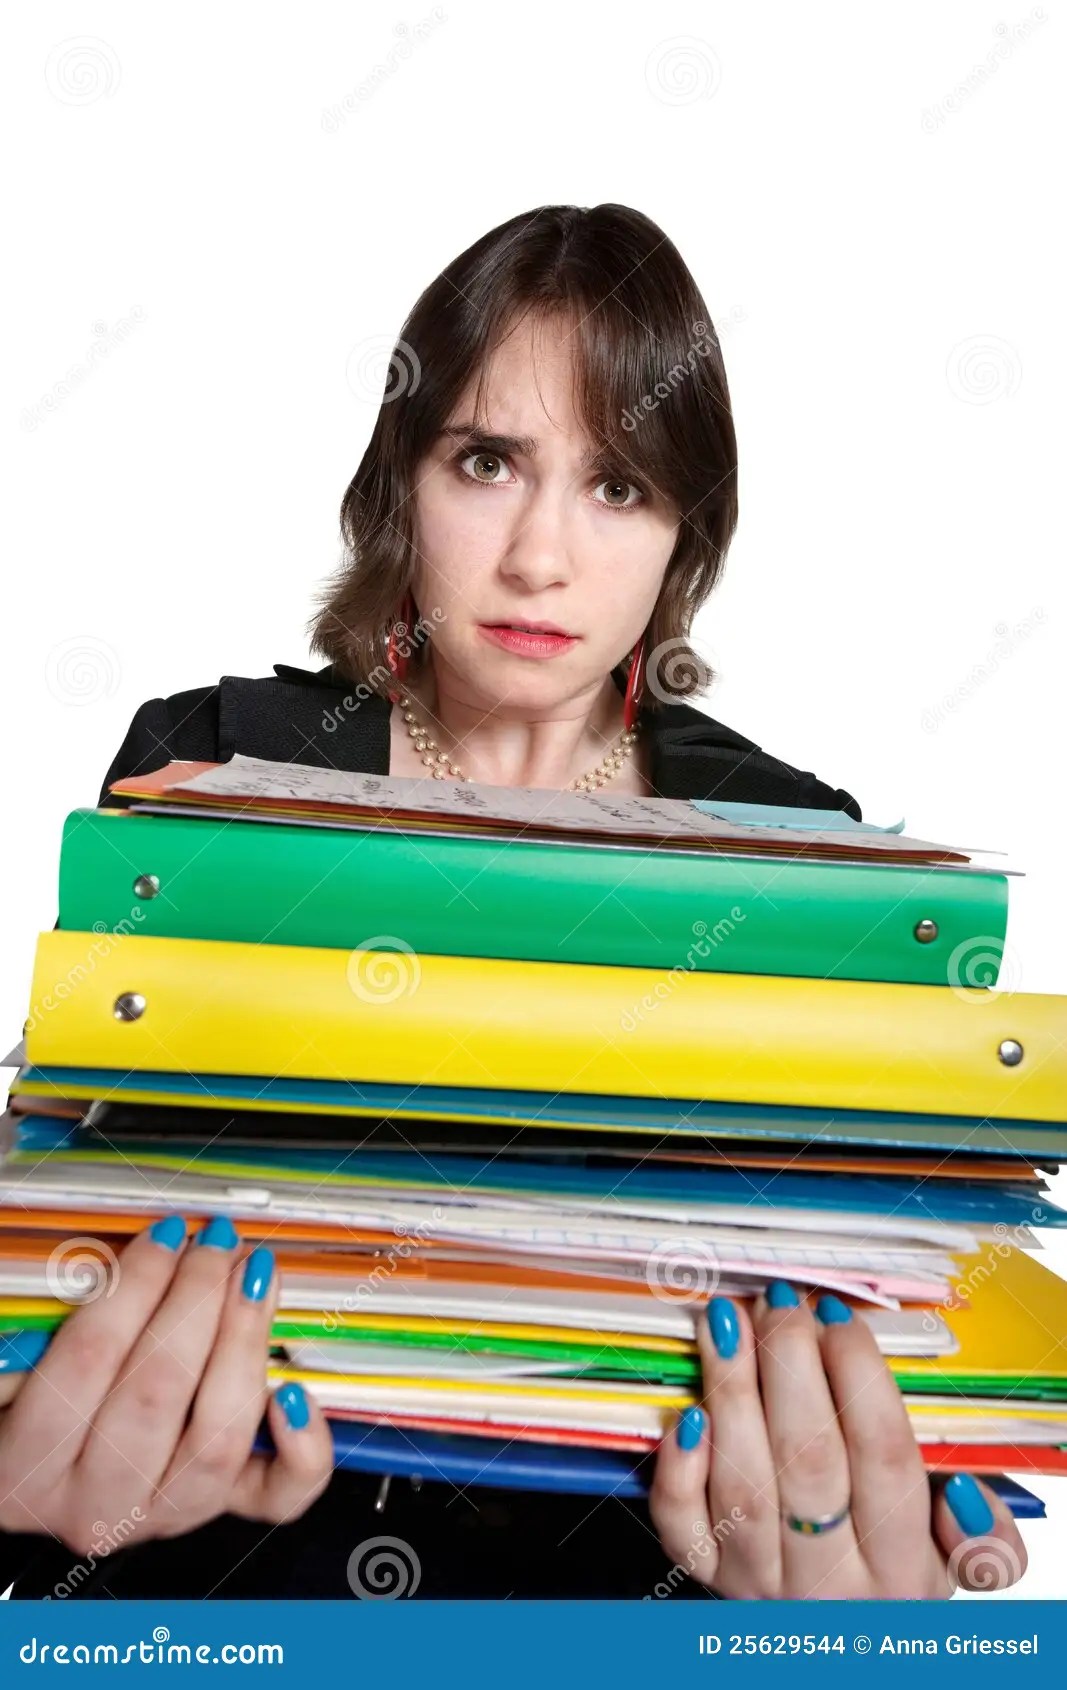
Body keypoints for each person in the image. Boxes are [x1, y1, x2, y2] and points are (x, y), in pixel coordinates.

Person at [0, 204, 1026, 1600]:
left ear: (685, 531)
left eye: (618, 487)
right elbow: (69, 1206)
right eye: (489, 461)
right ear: (400, 480)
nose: (543, 555)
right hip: (227, 1588)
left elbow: (859, 1298)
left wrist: (841, 1609)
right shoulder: (214, 771)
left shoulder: (795, 848)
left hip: (628, 1600)